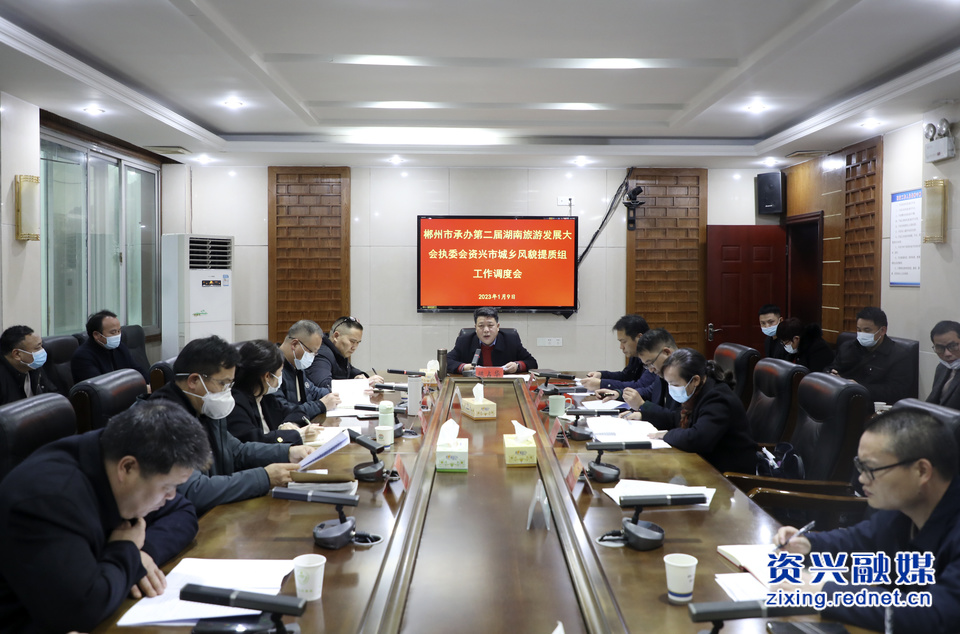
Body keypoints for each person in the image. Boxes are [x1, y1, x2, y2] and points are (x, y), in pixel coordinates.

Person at [0, 400, 210, 633]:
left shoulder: (118, 456)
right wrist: (126, 551)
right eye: (167, 487)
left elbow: (183, 511)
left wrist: (143, 553)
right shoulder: (49, 501)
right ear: (127, 468)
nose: (171, 496)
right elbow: (81, 610)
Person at [775, 408, 960, 633]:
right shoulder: (904, 510)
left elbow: (937, 616)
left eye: (871, 468)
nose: (861, 478)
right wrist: (809, 544)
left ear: (921, 471)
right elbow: (859, 540)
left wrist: (826, 592)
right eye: (860, 466)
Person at [148, 335, 312, 516]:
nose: (228, 392)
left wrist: (288, 452)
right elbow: (195, 490)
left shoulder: (204, 406)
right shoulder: (163, 421)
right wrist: (264, 477)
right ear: (194, 380)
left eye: (230, 383)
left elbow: (237, 451)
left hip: (217, 511)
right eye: (223, 384)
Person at [640, 348, 757, 473]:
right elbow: (676, 417)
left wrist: (666, 435)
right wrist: (643, 415)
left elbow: (697, 439)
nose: (671, 389)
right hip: (707, 464)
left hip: (729, 475)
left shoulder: (717, 399)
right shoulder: (698, 392)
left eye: (675, 384)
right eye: (668, 383)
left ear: (695, 380)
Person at [824, 306, 911, 403]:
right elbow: (831, 368)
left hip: (873, 405)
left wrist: (859, 387)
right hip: (842, 401)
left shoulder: (899, 356)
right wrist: (831, 375)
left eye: (867, 330)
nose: (861, 334)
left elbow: (896, 392)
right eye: (859, 330)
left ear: (882, 330)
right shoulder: (848, 347)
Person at [225, 340, 305, 444]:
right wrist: (292, 434)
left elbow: (297, 412)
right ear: (267, 376)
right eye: (280, 371)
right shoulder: (236, 403)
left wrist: (288, 424)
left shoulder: (265, 397)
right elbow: (253, 440)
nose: (281, 376)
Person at [583, 315, 660, 404]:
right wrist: (601, 375)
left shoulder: (654, 356)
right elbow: (626, 376)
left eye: (624, 342)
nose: (621, 347)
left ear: (639, 338)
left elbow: (641, 386)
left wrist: (601, 384)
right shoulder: (635, 354)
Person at [275, 320, 340, 422]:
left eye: (315, 353)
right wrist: (321, 405)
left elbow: (312, 391)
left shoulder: (297, 365)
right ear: (294, 344)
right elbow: (283, 411)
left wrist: (342, 392)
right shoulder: (273, 369)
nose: (312, 356)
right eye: (311, 351)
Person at [446, 307, 538, 374]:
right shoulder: (464, 341)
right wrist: (464, 367)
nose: (486, 330)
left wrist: (517, 366)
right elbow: (446, 361)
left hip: (504, 386)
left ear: (497, 327)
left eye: (490, 325)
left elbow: (532, 362)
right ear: (475, 328)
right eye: (481, 326)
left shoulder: (511, 340)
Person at [71, 309, 150, 383]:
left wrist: (148, 385)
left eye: (119, 331)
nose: (118, 335)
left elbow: (138, 371)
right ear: (96, 335)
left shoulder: (120, 348)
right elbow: (99, 386)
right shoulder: (83, 356)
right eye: (113, 332)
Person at [617, 327, 681, 418]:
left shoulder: (686, 376)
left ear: (666, 352)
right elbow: (650, 391)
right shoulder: (662, 372)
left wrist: (642, 406)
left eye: (651, 363)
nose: (651, 370)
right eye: (647, 366)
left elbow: (676, 418)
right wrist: (620, 394)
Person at [306, 316, 383, 391]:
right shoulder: (322, 354)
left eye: (358, 342)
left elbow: (350, 371)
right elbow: (324, 385)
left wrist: (361, 377)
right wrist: (360, 384)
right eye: (352, 341)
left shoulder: (337, 352)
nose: (354, 347)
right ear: (336, 336)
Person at [0, 325, 56, 405]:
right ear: (17, 354)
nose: (43, 351)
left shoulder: (33, 366)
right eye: (37, 348)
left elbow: (52, 394)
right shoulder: (3, 379)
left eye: (41, 345)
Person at [927, 320, 960, 409]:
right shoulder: (942, 367)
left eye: (953, 346)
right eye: (940, 348)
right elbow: (932, 403)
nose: (947, 354)